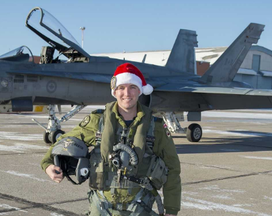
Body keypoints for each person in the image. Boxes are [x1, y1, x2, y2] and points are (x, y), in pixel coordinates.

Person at [41, 63, 181, 216]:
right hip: (101, 208)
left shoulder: (156, 128)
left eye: (132, 87)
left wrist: (171, 210)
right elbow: (65, 141)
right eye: (121, 88)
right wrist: (48, 164)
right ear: (114, 91)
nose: (126, 93)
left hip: (139, 209)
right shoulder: (97, 121)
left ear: (140, 91)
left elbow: (172, 168)